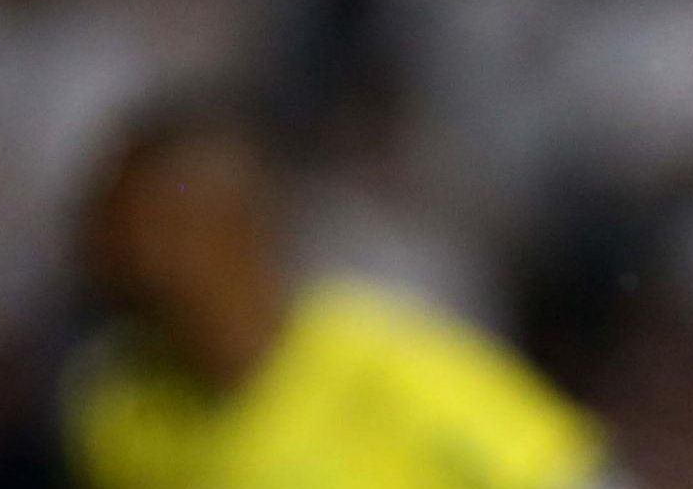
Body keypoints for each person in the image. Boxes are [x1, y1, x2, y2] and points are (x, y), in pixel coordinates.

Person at [63, 103, 608, 489]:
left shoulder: (391, 366)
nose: (133, 260)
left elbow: (570, 476)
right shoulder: (118, 413)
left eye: (164, 229)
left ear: (239, 226)